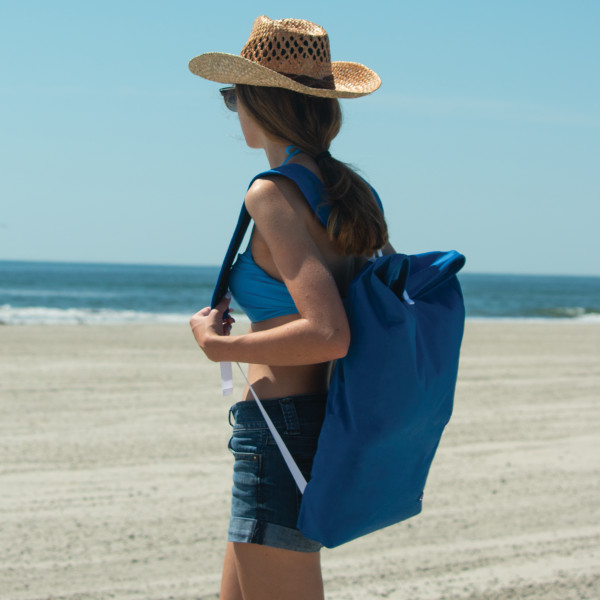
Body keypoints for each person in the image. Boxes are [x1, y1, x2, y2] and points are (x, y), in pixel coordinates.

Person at [188, 16, 390, 600]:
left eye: (234, 96)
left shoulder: (272, 192)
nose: (233, 108)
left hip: (279, 427)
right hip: (319, 417)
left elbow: (328, 332)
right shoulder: (352, 191)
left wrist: (220, 346)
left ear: (263, 101)